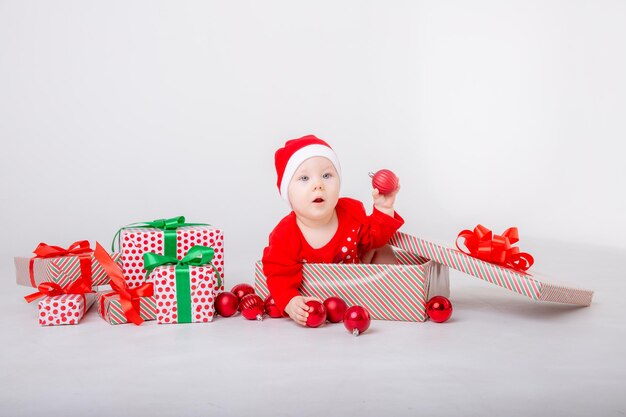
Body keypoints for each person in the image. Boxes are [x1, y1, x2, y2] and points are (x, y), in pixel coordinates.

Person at [262, 135, 404, 326]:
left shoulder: (350, 213)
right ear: (287, 192)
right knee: (280, 278)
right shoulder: (285, 233)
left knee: (382, 248)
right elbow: (278, 272)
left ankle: (395, 294)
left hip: (359, 286)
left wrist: (384, 208)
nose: (318, 185)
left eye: (327, 175)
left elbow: (374, 237)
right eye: (304, 178)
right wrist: (289, 301)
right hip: (318, 297)